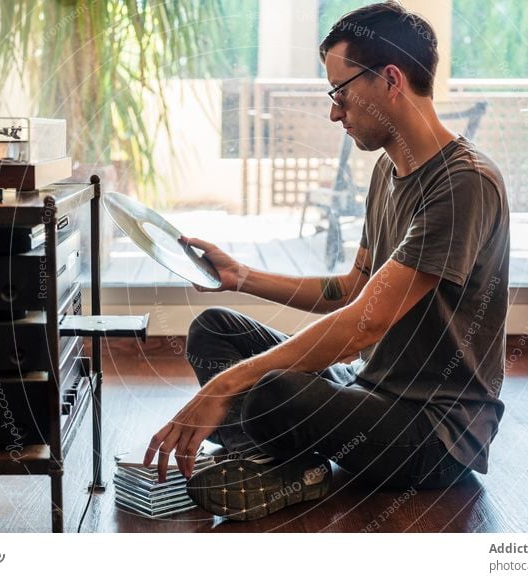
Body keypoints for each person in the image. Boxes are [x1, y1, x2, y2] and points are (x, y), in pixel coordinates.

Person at [143, 1, 509, 522]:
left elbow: (366, 322)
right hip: (369, 388)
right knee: (215, 331)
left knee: (269, 389)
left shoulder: (463, 183)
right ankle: (284, 455)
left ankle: (286, 462)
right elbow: (354, 287)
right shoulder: (389, 170)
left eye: (340, 92)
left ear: (390, 80)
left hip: (435, 432)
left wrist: (227, 385)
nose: (334, 110)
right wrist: (241, 278)